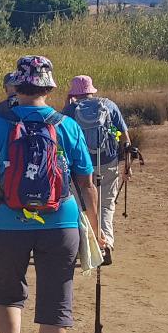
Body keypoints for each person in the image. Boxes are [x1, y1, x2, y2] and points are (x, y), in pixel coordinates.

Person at [0, 55, 102, 333]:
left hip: (8, 222)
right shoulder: (67, 125)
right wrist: (98, 230)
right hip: (61, 223)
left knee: (9, 293)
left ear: (18, 84)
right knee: (56, 304)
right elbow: (86, 183)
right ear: (48, 86)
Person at [63, 75, 132, 263]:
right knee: (106, 206)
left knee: (82, 206)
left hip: (80, 167)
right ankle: (106, 243)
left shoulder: (70, 110)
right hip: (108, 162)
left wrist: (67, 103)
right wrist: (127, 166)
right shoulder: (109, 106)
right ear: (92, 91)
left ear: (74, 94)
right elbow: (126, 139)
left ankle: (86, 247)